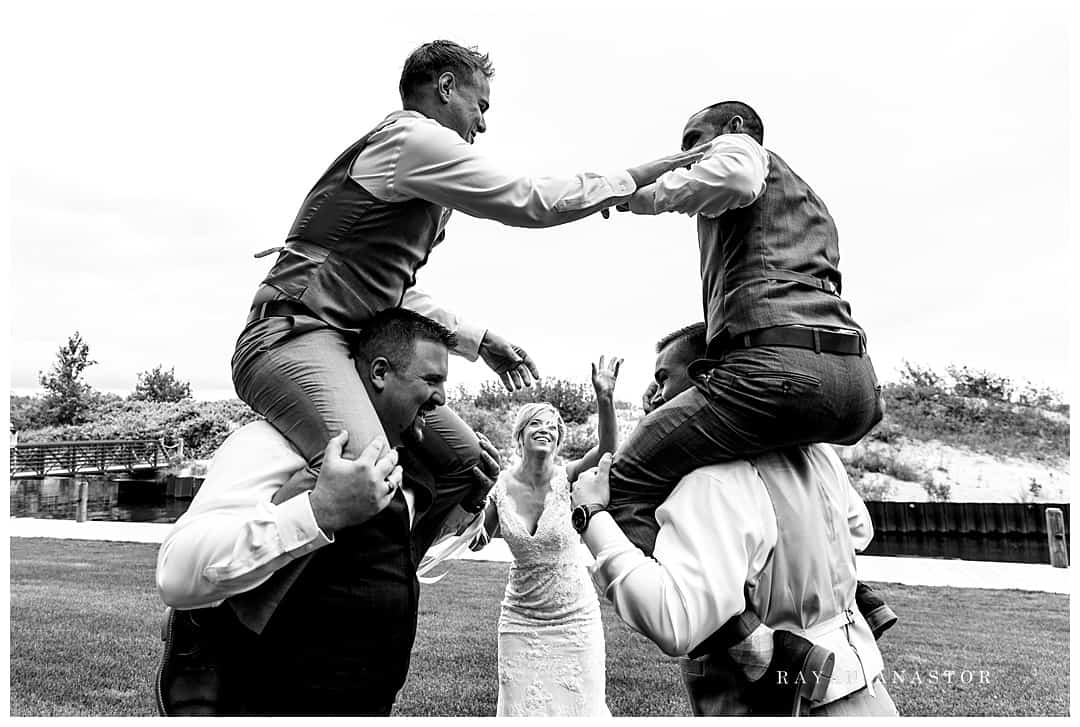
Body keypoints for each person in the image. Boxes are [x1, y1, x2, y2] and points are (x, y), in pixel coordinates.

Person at [231, 39, 705, 517]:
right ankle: (220, 563)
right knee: (364, 474)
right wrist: (632, 179)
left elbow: (387, 290)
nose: (483, 122)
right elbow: (529, 199)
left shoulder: (416, 175)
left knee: (467, 465)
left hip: (352, 345)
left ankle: (391, 585)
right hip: (291, 335)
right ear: (445, 87)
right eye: (480, 106)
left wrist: (478, 341)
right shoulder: (411, 139)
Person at [156, 308, 500, 716]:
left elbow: (393, 561)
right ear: (379, 373)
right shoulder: (272, 444)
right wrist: (318, 511)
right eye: (431, 380)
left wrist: (468, 498)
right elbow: (175, 574)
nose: (442, 399)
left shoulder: (411, 468)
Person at [607, 100, 884, 558]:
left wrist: (629, 195)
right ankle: (852, 600)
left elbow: (733, 175)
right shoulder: (806, 204)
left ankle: (727, 628)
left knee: (627, 481)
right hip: (856, 386)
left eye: (694, 141)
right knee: (777, 480)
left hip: (778, 372)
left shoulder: (746, 153)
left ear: (734, 129)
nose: (685, 155)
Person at [569, 447, 899, 716]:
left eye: (663, 377)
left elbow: (672, 619)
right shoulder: (818, 452)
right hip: (868, 688)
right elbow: (860, 531)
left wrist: (590, 514)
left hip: (790, 703)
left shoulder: (715, 481)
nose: (653, 393)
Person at [463, 356, 621, 716]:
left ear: (559, 439)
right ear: (520, 434)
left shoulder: (568, 478)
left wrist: (605, 399)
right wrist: (469, 495)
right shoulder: (500, 487)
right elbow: (477, 539)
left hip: (575, 620)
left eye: (552, 426)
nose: (545, 429)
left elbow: (608, 448)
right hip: (520, 621)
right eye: (536, 423)